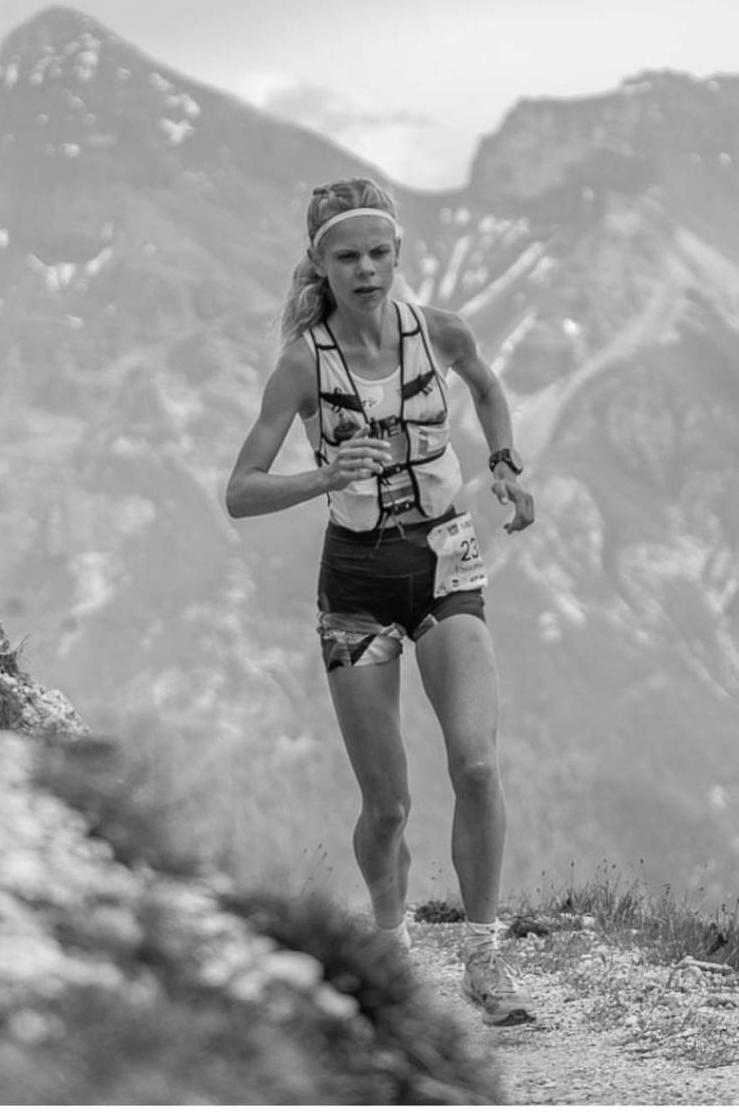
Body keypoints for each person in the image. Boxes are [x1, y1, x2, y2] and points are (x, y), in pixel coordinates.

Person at [225, 177, 536, 1026]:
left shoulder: (439, 330)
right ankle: (392, 952)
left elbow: (488, 387)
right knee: (388, 803)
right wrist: (325, 473)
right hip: (356, 587)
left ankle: (484, 961)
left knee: (476, 764)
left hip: (446, 564)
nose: (365, 269)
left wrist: (504, 463)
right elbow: (239, 491)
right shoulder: (304, 365)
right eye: (346, 255)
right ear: (319, 263)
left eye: (378, 253)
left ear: (397, 255)